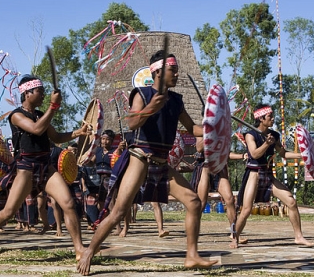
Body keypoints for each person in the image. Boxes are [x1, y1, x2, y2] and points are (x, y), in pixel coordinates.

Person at [77, 50, 218, 275]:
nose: (177, 73)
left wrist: (214, 130)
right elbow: (132, 123)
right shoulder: (141, 94)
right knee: (119, 211)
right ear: (158, 72)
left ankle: (191, 256)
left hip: (162, 163)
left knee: (193, 202)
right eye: (173, 69)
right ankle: (89, 251)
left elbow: (192, 128)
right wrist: (151, 108)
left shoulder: (176, 100)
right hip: (140, 159)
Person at [0, 74, 87, 259]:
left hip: (46, 166)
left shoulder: (41, 115)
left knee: (68, 203)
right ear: (27, 93)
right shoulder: (16, 115)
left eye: (43, 92)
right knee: (9, 212)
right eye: (39, 92)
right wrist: (53, 106)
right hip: (25, 168)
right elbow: (36, 129)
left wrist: (78, 132)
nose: (43, 95)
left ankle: (79, 249)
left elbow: (56, 137)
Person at [231, 104, 314, 248]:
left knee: (292, 202)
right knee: (246, 210)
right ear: (261, 119)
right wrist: (266, 144)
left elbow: (283, 154)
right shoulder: (251, 135)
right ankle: (234, 238)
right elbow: (255, 154)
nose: (273, 118)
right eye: (270, 116)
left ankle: (298, 237)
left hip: (268, 175)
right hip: (254, 174)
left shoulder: (274, 135)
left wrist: (303, 156)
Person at [191, 137, 247, 243]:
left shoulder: (223, 132)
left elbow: (226, 155)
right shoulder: (202, 130)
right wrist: (211, 133)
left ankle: (234, 233)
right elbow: (199, 147)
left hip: (219, 167)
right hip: (204, 167)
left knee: (230, 200)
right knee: (201, 204)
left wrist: (242, 155)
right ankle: (193, 234)